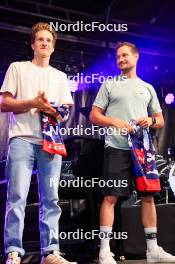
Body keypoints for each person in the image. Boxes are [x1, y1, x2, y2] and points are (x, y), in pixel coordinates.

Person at [89, 42, 175, 264]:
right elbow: (94, 115)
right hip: (116, 147)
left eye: (125, 55)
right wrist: (114, 121)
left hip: (142, 151)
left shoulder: (147, 88)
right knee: (110, 197)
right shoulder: (109, 85)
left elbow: (161, 120)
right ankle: (105, 251)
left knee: (148, 197)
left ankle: (153, 250)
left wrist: (151, 120)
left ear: (136, 57)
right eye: (118, 57)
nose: (121, 60)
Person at [0, 22, 77, 264]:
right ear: (33, 44)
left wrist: (51, 109)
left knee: (51, 199)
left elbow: (65, 111)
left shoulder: (60, 76)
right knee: (17, 196)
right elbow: (4, 103)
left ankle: (51, 252)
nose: (45, 43)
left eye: (49, 41)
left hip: (51, 142)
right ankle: (13, 251)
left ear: (53, 47)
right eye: (40, 39)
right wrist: (34, 103)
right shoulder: (18, 68)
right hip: (22, 139)